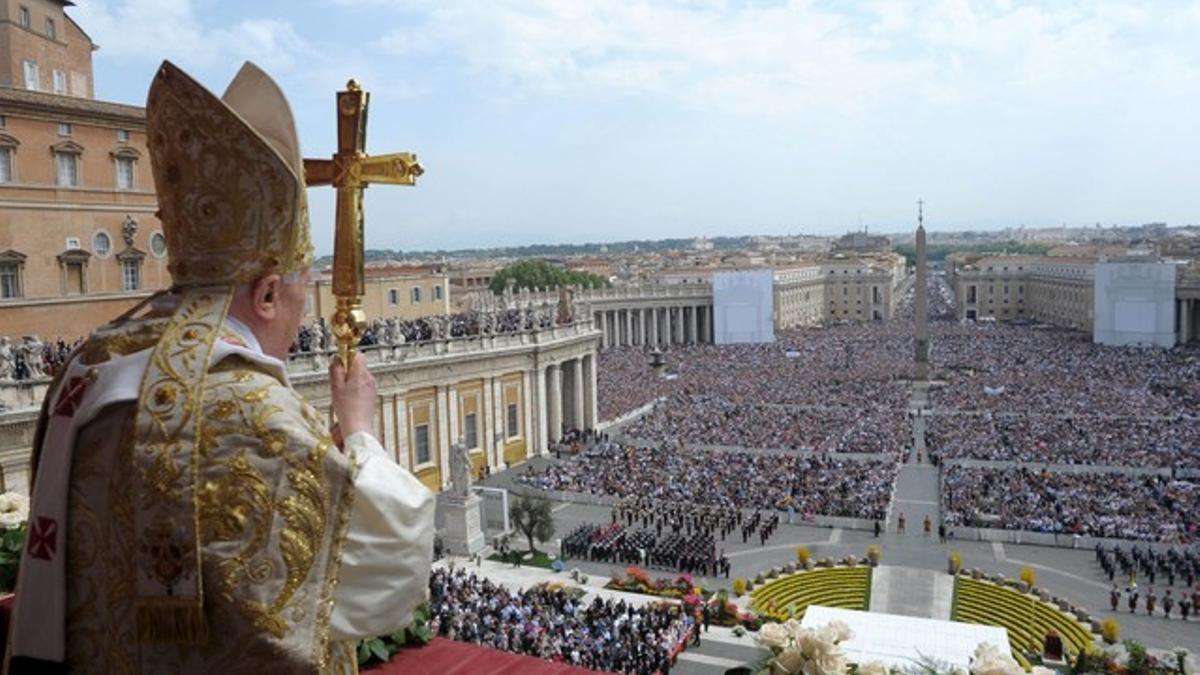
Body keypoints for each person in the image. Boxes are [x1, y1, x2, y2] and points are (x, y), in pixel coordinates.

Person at [5, 61, 435, 674]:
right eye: (296, 295)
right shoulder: (251, 409)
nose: (298, 317)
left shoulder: (93, 362)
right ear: (265, 295)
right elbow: (385, 567)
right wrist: (359, 431)